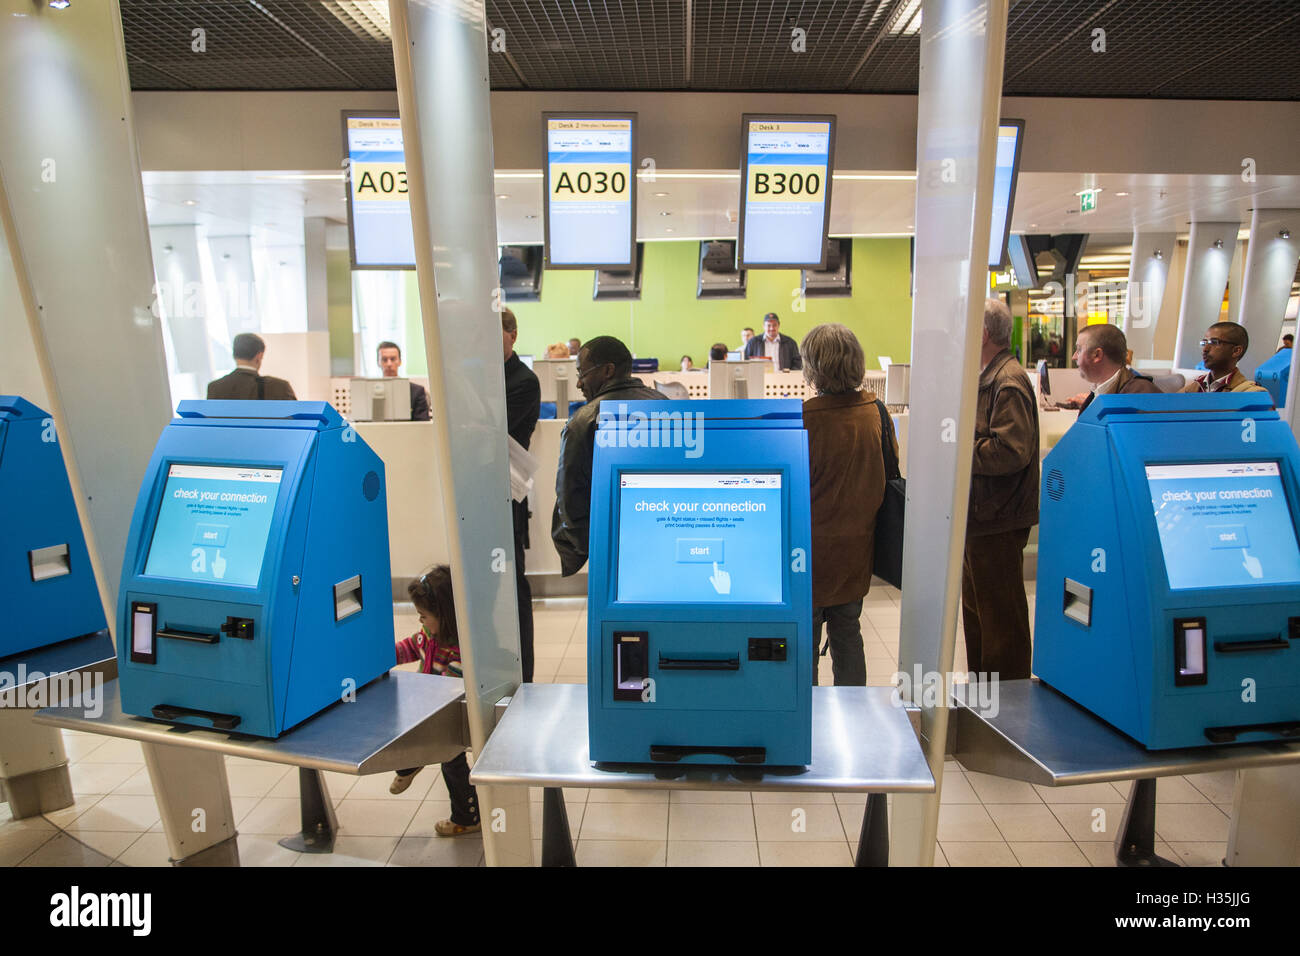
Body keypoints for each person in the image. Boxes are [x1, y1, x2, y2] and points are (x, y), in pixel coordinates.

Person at [801, 324, 896, 686]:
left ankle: (809, 713)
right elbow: (888, 473)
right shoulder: (877, 412)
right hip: (857, 550)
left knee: (805, 642)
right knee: (848, 633)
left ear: (814, 367)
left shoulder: (804, 419)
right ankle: (854, 709)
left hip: (808, 555)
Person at [963, 298, 1039, 681]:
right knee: (980, 617)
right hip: (981, 518)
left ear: (983, 333)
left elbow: (1011, 451)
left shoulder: (1006, 381)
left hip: (997, 519)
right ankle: (983, 699)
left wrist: (960, 448)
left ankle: (1008, 705)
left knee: (1001, 625)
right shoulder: (989, 377)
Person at [552, 335, 663, 575]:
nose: (579, 383)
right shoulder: (666, 407)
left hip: (609, 545)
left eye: (582, 373)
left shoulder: (583, 421)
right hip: (662, 536)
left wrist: (589, 547)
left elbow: (569, 496)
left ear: (608, 371)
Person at [389, 566, 480, 836]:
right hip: (432, 709)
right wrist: (383, 655)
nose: (421, 621)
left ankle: (467, 818)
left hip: (451, 719)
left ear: (445, 615)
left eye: (424, 616)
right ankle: (410, 764)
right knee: (409, 736)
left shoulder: (460, 651)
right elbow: (410, 647)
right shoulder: (429, 635)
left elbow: (448, 690)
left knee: (452, 765)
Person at [502, 308, 540, 682]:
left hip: (506, 495)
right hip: (473, 494)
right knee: (481, 590)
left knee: (514, 586)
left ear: (512, 335)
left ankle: (524, 676)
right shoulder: (476, 376)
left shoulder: (523, 381)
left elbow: (488, 429)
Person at [1068, 324, 1160, 412]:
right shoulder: (1100, 392)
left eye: (1079, 350)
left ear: (1097, 355)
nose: (1074, 357)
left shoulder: (1142, 395)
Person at [1180, 322, 1268, 393]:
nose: (1205, 349)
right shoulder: (1192, 389)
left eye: (1214, 342)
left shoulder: (1251, 394)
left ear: (1236, 351)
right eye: (1204, 343)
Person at [206, 333, 296, 400]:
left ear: (234, 355)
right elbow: (296, 418)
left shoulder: (214, 388)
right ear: (259, 356)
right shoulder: (280, 387)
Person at [375, 340, 431, 421]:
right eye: (384, 359)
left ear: (400, 361)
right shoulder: (369, 392)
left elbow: (423, 424)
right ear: (378, 362)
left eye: (393, 359)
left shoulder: (416, 392)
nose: (389, 364)